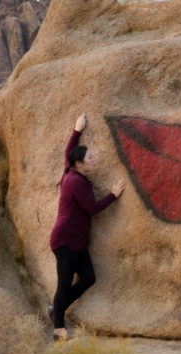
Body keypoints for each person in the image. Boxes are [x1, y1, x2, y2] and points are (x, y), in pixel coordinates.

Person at [49, 113, 126, 340]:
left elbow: (67, 152)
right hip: (66, 241)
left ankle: (57, 310)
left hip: (76, 241)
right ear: (79, 164)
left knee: (88, 278)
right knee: (63, 284)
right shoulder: (76, 182)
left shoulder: (70, 170)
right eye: (89, 158)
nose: (93, 159)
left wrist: (77, 129)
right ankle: (58, 329)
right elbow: (92, 207)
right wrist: (113, 195)